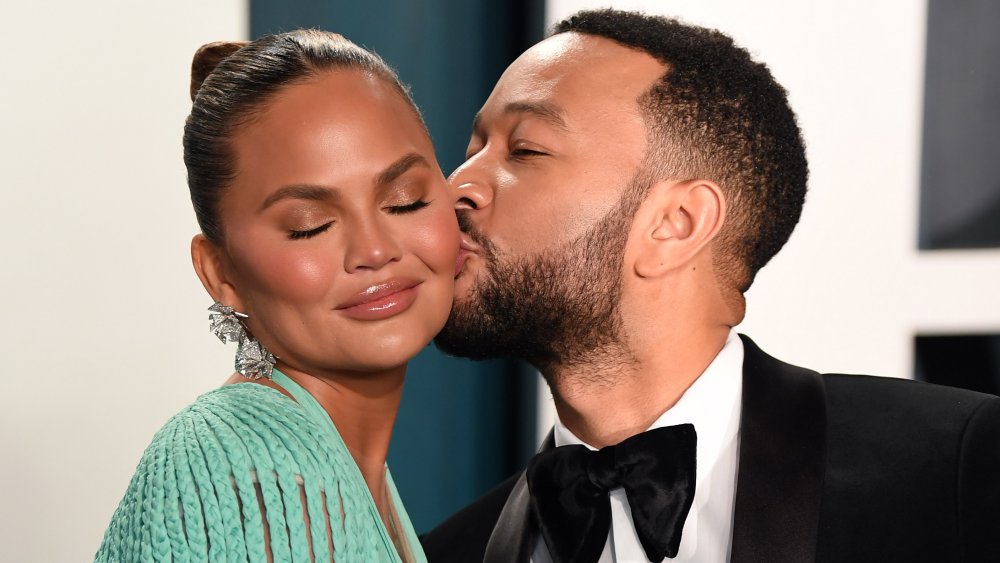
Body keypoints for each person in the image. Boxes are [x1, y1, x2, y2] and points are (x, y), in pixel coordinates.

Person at [423, 9, 1000, 563]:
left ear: (677, 225)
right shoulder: (446, 553)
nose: (454, 189)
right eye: (472, 150)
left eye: (524, 150)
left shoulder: (957, 467)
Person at [96, 30, 458, 562]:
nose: (375, 250)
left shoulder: (339, 466)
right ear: (221, 273)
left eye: (405, 201)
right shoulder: (240, 468)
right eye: (310, 226)